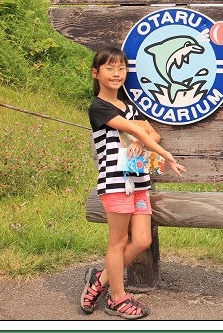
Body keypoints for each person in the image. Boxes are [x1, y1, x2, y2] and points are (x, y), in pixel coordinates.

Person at [80, 47, 187, 319]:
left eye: (121, 68)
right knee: (117, 242)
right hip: (115, 183)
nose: (117, 73)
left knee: (141, 240)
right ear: (96, 73)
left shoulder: (129, 107)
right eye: (110, 68)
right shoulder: (99, 108)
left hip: (139, 182)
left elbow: (152, 132)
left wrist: (142, 139)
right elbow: (137, 129)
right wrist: (165, 155)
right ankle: (117, 299)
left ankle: (99, 281)